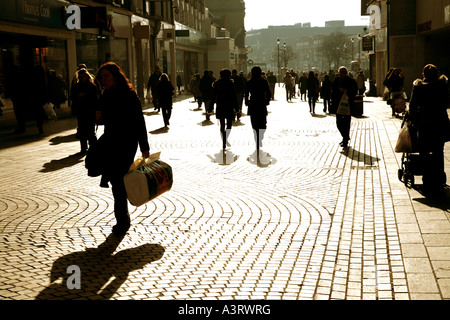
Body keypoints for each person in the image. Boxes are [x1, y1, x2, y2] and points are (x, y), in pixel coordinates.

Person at [95, 62, 150, 237]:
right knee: (116, 181)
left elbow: (139, 121)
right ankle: (123, 218)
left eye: (106, 76)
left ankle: (122, 220)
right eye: (101, 77)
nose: (103, 80)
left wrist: (144, 146)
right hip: (111, 140)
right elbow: (103, 121)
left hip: (127, 142)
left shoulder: (129, 94)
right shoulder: (104, 95)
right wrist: (98, 117)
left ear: (115, 76)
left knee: (118, 181)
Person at [408, 64, 449, 195]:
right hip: (440, 122)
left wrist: (412, 120)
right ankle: (439, 178)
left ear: (423, 74)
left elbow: (413, 105)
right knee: (438, 150)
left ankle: (427, 179)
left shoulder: (419, 86)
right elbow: (447, 102)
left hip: (424, 123)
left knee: (424, 150)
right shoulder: (442, 85)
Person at [71, 68, 98, 153]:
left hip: (90, 110)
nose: (83, 78)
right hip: (81, 111)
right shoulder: (76, 86)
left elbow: (95, 99)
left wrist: (85, 95)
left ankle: (93, 147)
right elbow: (73, 97)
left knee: (90, 129)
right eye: (81, 76)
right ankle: (83, 147)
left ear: (87, 76)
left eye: (84, 76)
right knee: (82, 129)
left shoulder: (91, 86)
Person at [210, 69, 239, 149]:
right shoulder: (231, 84)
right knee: (229, 124)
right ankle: (225, 138)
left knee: (222, 124)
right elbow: (234, 97)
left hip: (220, 105)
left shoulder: (217, 84)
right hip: (229, 106)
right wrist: (237, 108)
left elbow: (213, 97)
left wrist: (210, 107)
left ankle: (224, 139)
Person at [245, 66, 272, 152]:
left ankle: (257, 138)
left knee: (254, 123)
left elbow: (246, 93)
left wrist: (246, 101)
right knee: (263, 123)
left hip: (253, 103)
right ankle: (259, 137)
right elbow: (268, 92)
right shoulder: (263, 81)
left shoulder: (249, 82)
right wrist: (267, 100)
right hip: (261, 103)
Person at [331, 66, 358, 148]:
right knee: (339, 123)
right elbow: (332, 90)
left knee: (346, 123)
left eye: (344, 72)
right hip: (338, 105)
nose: (342, 73)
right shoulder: (336, 80)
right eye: (341, 72)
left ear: (346, 73)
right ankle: (345, 136)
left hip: (348, 105)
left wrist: (346, 91)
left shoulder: (351, 81)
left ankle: (345, 140)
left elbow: (354, 90)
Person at [29, 65, 50, 134]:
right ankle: (40, 124)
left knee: (38, 113)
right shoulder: (43, 79)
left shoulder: (32, 79)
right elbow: (45, 90)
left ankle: (39, 125)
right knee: (41, 113)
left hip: (36, 99)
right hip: (42, 99)